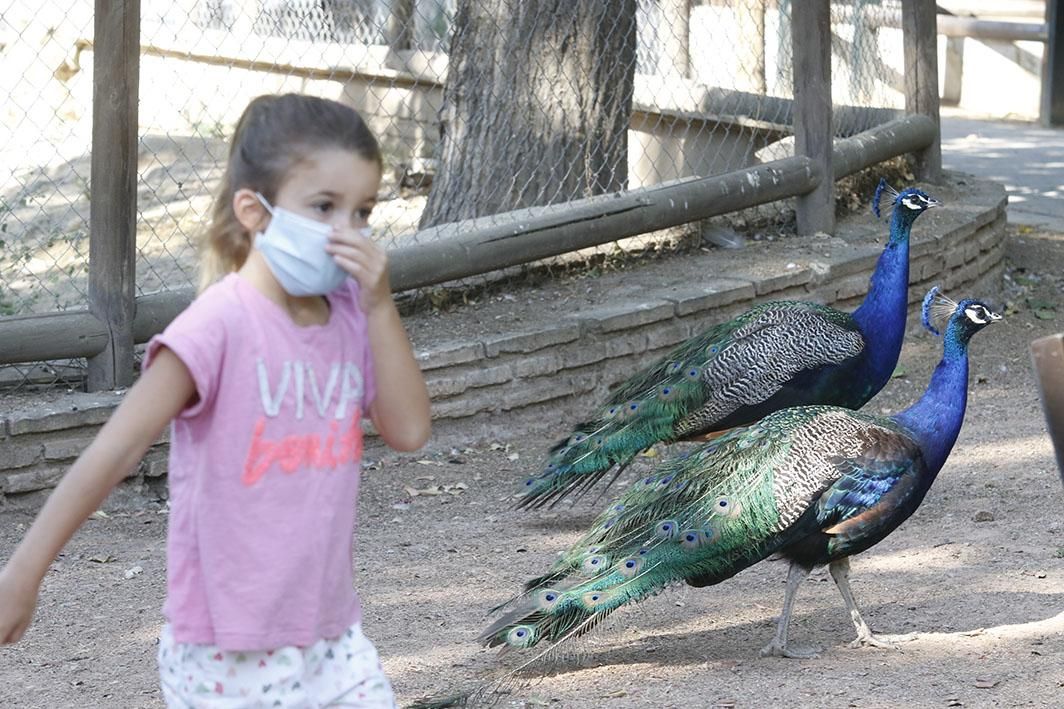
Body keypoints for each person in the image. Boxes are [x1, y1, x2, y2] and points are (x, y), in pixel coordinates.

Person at [0, 93, 431, 707]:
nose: (349, 232)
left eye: (363, 212)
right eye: (325, 207)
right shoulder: (216, 326)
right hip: (226, 653)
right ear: (256, 212)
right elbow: (113, 452)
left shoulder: (351, 318)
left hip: (333, 640)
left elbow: (409, 430)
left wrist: (381, 304)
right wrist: (23, 573)